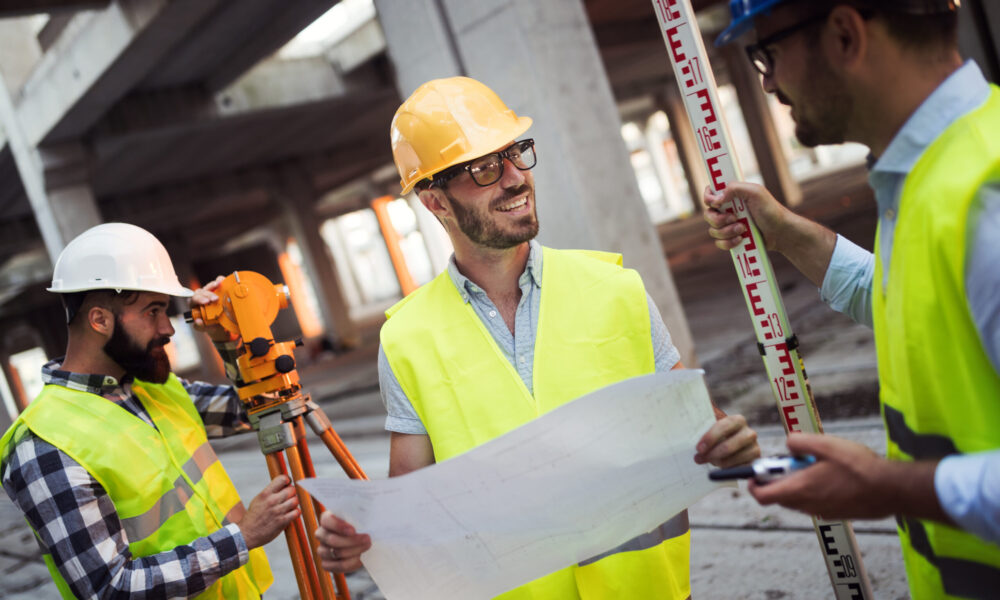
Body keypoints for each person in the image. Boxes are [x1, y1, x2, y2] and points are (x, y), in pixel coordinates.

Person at [315, 76, 761, 599]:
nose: (513, 178)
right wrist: (362, 537)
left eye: (515, 154)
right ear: (435, 202)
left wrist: (733, 446)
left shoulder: (616, 289)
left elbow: (702, 432)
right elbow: (409, 502)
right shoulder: (406, 338)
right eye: (483, 168)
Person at [707, 1, 1000, 597]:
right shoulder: (937, 172)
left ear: (844, 33)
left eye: (768, 52)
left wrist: (886, 486)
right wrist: (782, 229)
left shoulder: (985, 194)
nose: (767, 81)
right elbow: (901, 301)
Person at [0, 223, 300, 598]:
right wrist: (243, 537)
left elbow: (258, 403)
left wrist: (228, 334)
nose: (168, 327)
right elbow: (108, 588)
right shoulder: (43, 446)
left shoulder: (153, 389)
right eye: (153, 311)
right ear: (100, 320)